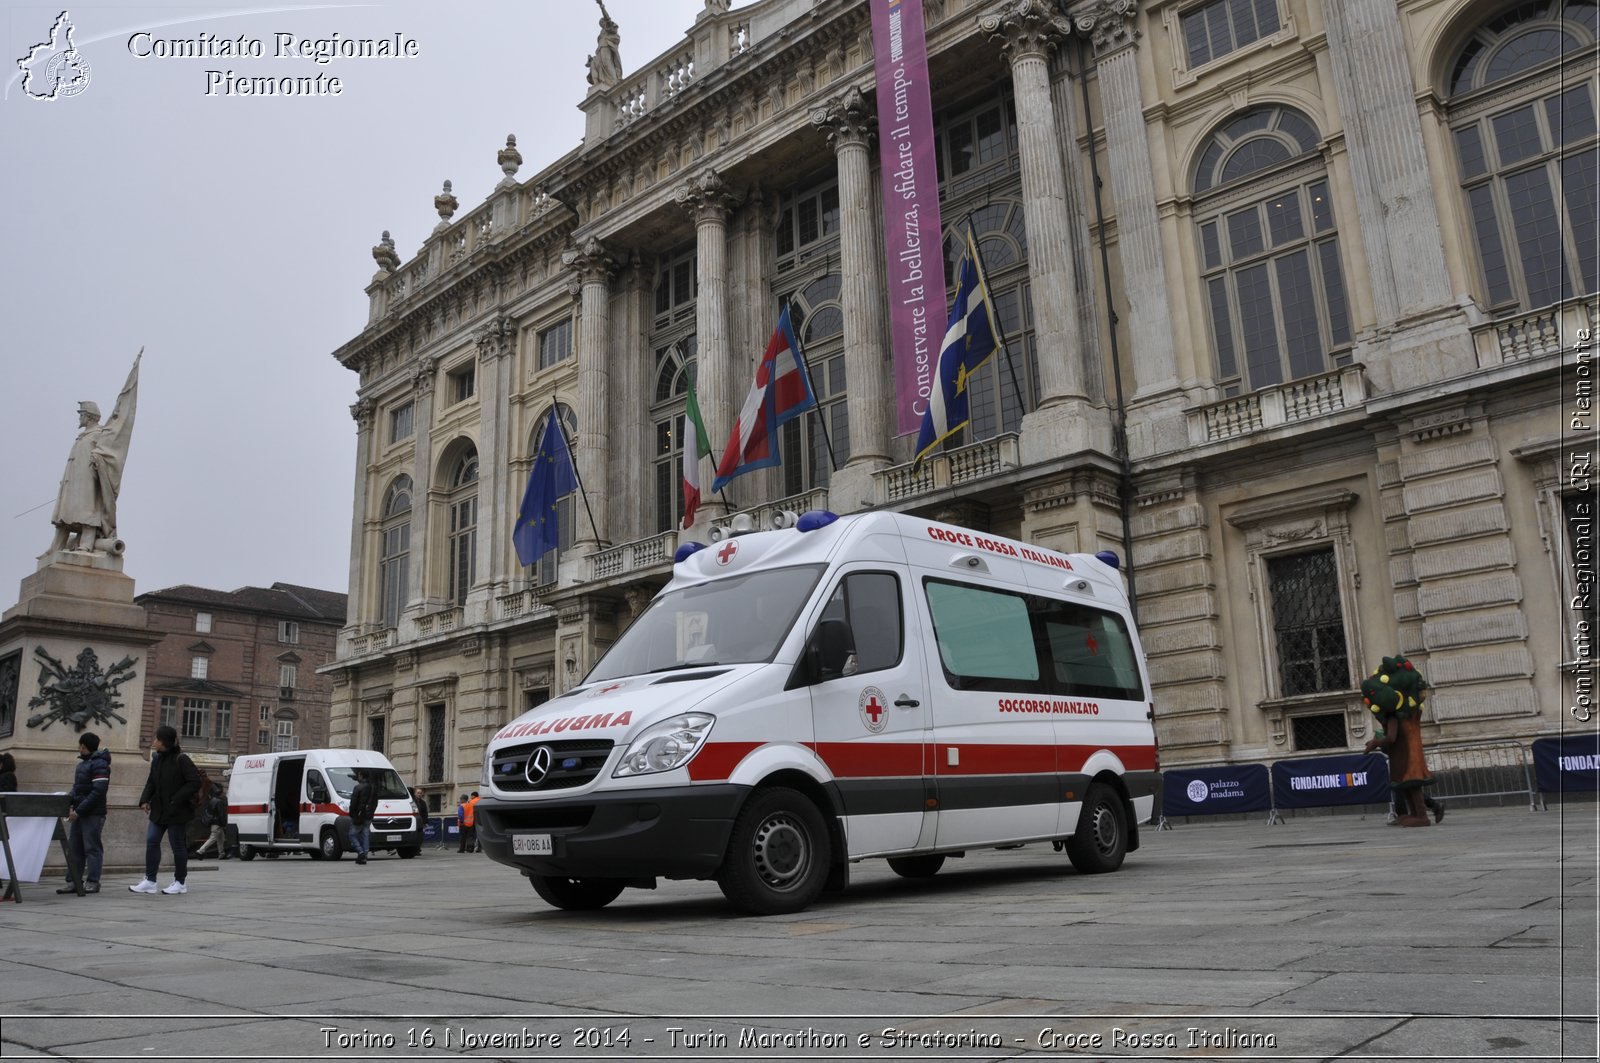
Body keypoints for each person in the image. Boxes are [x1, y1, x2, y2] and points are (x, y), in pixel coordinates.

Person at [49, 352, 140, 555]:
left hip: (90, 485)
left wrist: (99, 460)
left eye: (82, 414)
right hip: (74, 484)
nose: (80, 417)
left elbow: (111, 450)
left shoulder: (99, 434)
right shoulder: (82, 437)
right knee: (66, 514)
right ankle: (57, 545)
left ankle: (86, 543)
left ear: (89, 416)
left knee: (88, 512)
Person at [1362, 655, 1442, 828]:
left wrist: (1375, 742)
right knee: (1405, 787)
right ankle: (1413, 814)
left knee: (1411, 785)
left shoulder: (1394, 717)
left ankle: (1421, 816)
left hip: (1405, 758)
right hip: (1402, 755)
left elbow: (1391, 737)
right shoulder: (1401, 716)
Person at [130, 724, 200, 894]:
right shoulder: (157, 759)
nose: (154, 742)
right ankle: (150, 880)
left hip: (177, 811)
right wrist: (144, 800)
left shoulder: (181, 759)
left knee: (177, 846)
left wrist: (176, 799)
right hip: (159, 810)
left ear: (165, 742)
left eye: (158, 739)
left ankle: (180, 882)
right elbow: (151, 781)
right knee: (152, 841)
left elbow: (194, 782)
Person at [58, 732, 110, 895]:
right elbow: (77, 788)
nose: (79, 748)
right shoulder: (82, 765)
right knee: (75, 848)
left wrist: (78, 811)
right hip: (80, 813)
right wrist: (68, 802)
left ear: (84, 746)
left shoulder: (100, 764)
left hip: (93, 813)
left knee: (92, 847)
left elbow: (98, 792)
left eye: (81, 746)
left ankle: (93, 881)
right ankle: (73, 880)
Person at [348, 768, 377, 865]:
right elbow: (375, 802)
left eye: (359, 775)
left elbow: (353, 803)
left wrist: (352, 814)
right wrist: (371, 812)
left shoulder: (358, 787)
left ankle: (360, 853)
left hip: (359, 815)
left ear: (361, 776)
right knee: (365, 834)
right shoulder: (373, 787)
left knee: (352, 834)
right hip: (369, 815)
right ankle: (364, 855)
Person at [194, 788, 229, 859]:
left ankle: (221, 854)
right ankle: (200, 851)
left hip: (214, 822)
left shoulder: (212, 801)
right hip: (218, 823)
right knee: (213, 838)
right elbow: (221, 814)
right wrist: (224, 823)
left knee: (220, 838)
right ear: (220, 793)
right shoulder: (220, 802)